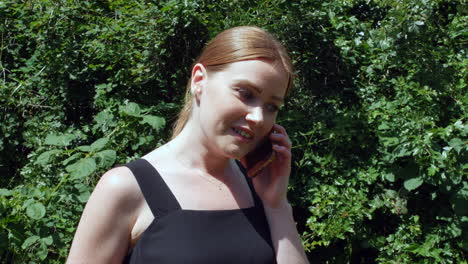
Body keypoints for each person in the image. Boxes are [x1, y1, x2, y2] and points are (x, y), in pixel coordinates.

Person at [67, 26, 309, 264]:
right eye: (245, 93)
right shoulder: (126, 188)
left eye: (271, 107)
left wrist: (277, 205)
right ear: (199, 80)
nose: (258, 117)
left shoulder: (259, 186)